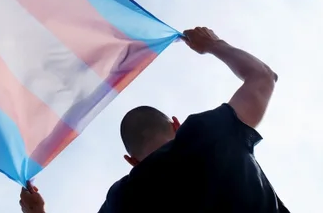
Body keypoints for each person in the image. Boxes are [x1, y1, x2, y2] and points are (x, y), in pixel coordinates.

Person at [19, 27, 288, 213]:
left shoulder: (122, 199)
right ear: (176, 124)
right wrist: (213, 44)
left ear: (131, 161)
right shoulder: (210, 131)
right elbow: (263, 77)